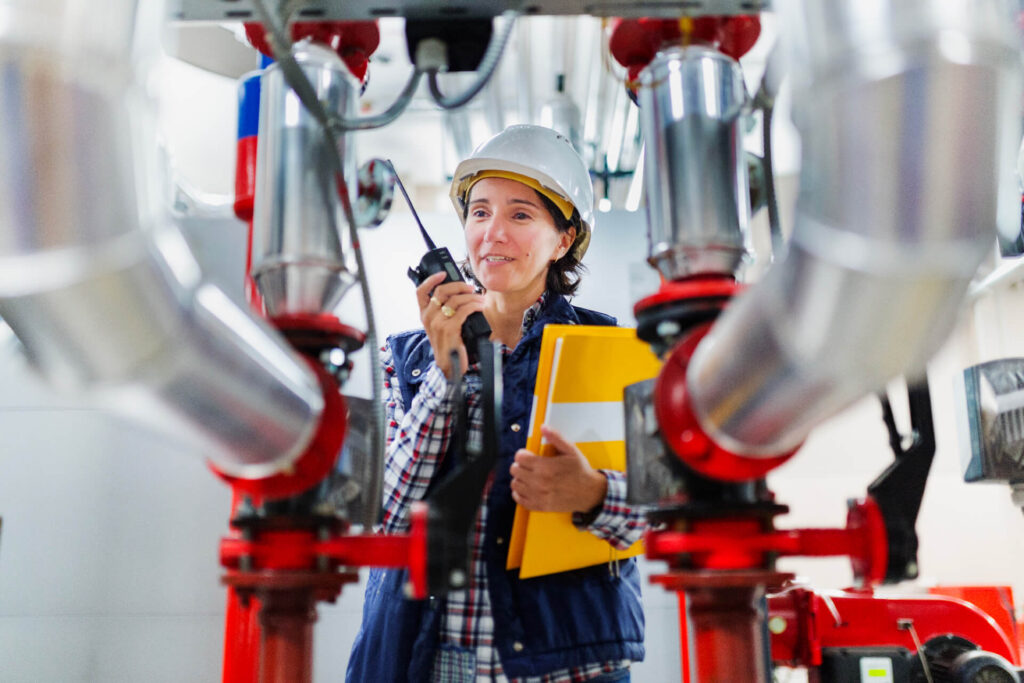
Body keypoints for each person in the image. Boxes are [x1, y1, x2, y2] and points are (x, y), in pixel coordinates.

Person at [347, 124, 645, 683]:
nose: (493, 233)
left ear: (563, 240)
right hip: (433, 659)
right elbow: (385, 513)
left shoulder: (610, 350)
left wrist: (595, 494)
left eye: (521, 215)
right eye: (479, 212)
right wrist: (447, 372)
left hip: (564, 662)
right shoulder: (405, 356)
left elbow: (661, 511)